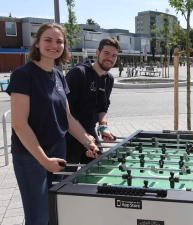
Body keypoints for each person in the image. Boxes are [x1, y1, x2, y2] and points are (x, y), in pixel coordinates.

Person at [6, 23, 99, 225]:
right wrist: (44, 160)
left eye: (59, 41)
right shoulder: (23, 74)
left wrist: (87, 142)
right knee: (38, 217)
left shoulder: (58, 75)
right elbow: (19, 124)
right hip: (30, 155)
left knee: (54, 211)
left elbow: (67, 117)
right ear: (37, 43)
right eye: (48, 40)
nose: (54, 45)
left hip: (58, 147)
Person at [65, 37, 119, 173]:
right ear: (97, 53)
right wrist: (85, 141)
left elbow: (103, 107)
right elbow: (66, 112)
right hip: (68, 137)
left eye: (114, 55)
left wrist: (103, 127)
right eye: (106, 53)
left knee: (96, 173)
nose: (110, 58)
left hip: (90, 133)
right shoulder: (79, 73)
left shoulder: (109, 79)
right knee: (65, 181)